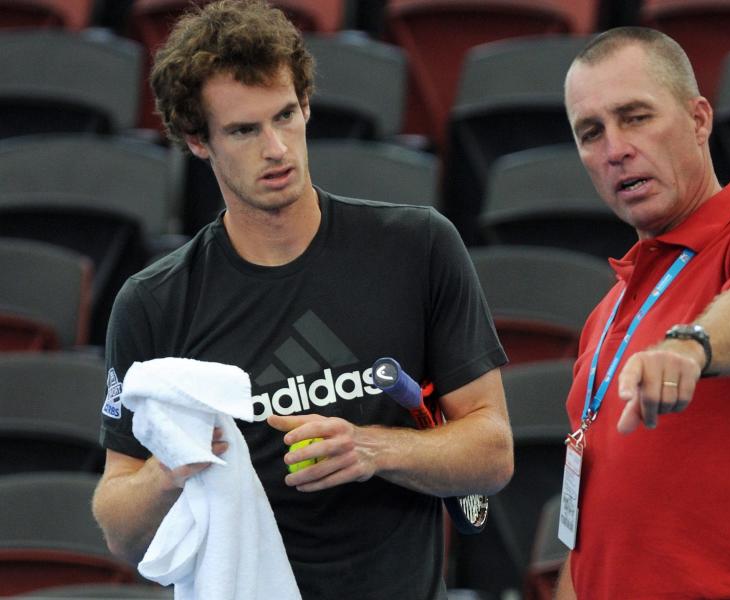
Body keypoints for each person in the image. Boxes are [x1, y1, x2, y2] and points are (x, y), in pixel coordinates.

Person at [92, 2, 513, 598]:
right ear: (197, 140)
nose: (277, 148)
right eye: (244, 130)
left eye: (285, 116)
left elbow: (492, 452)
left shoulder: (417, 246)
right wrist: (170, 470)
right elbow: (120, 528)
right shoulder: (152, 302)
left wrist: (371, 449)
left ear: (306, 105)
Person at [556, 27, 730, 599]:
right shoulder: (608, 312)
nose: (614, 148)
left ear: (699, 119)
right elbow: (588, 535)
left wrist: (692, 346)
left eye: (635, 117)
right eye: (591, 132)